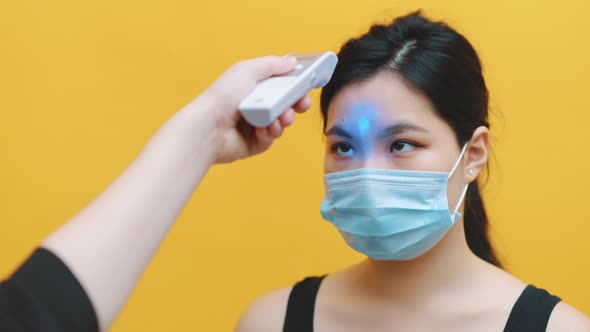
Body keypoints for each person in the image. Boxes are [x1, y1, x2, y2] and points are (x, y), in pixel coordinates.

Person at [235, 11, 590, 332]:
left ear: (474, 154)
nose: (367, 175)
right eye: (344, 147)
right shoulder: (271, 322)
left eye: (401, 144)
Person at [0, 55, 311, 332]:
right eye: (343, 146)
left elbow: (32, 313)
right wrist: (209, 130)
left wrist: (210, 131)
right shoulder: (271, 319)